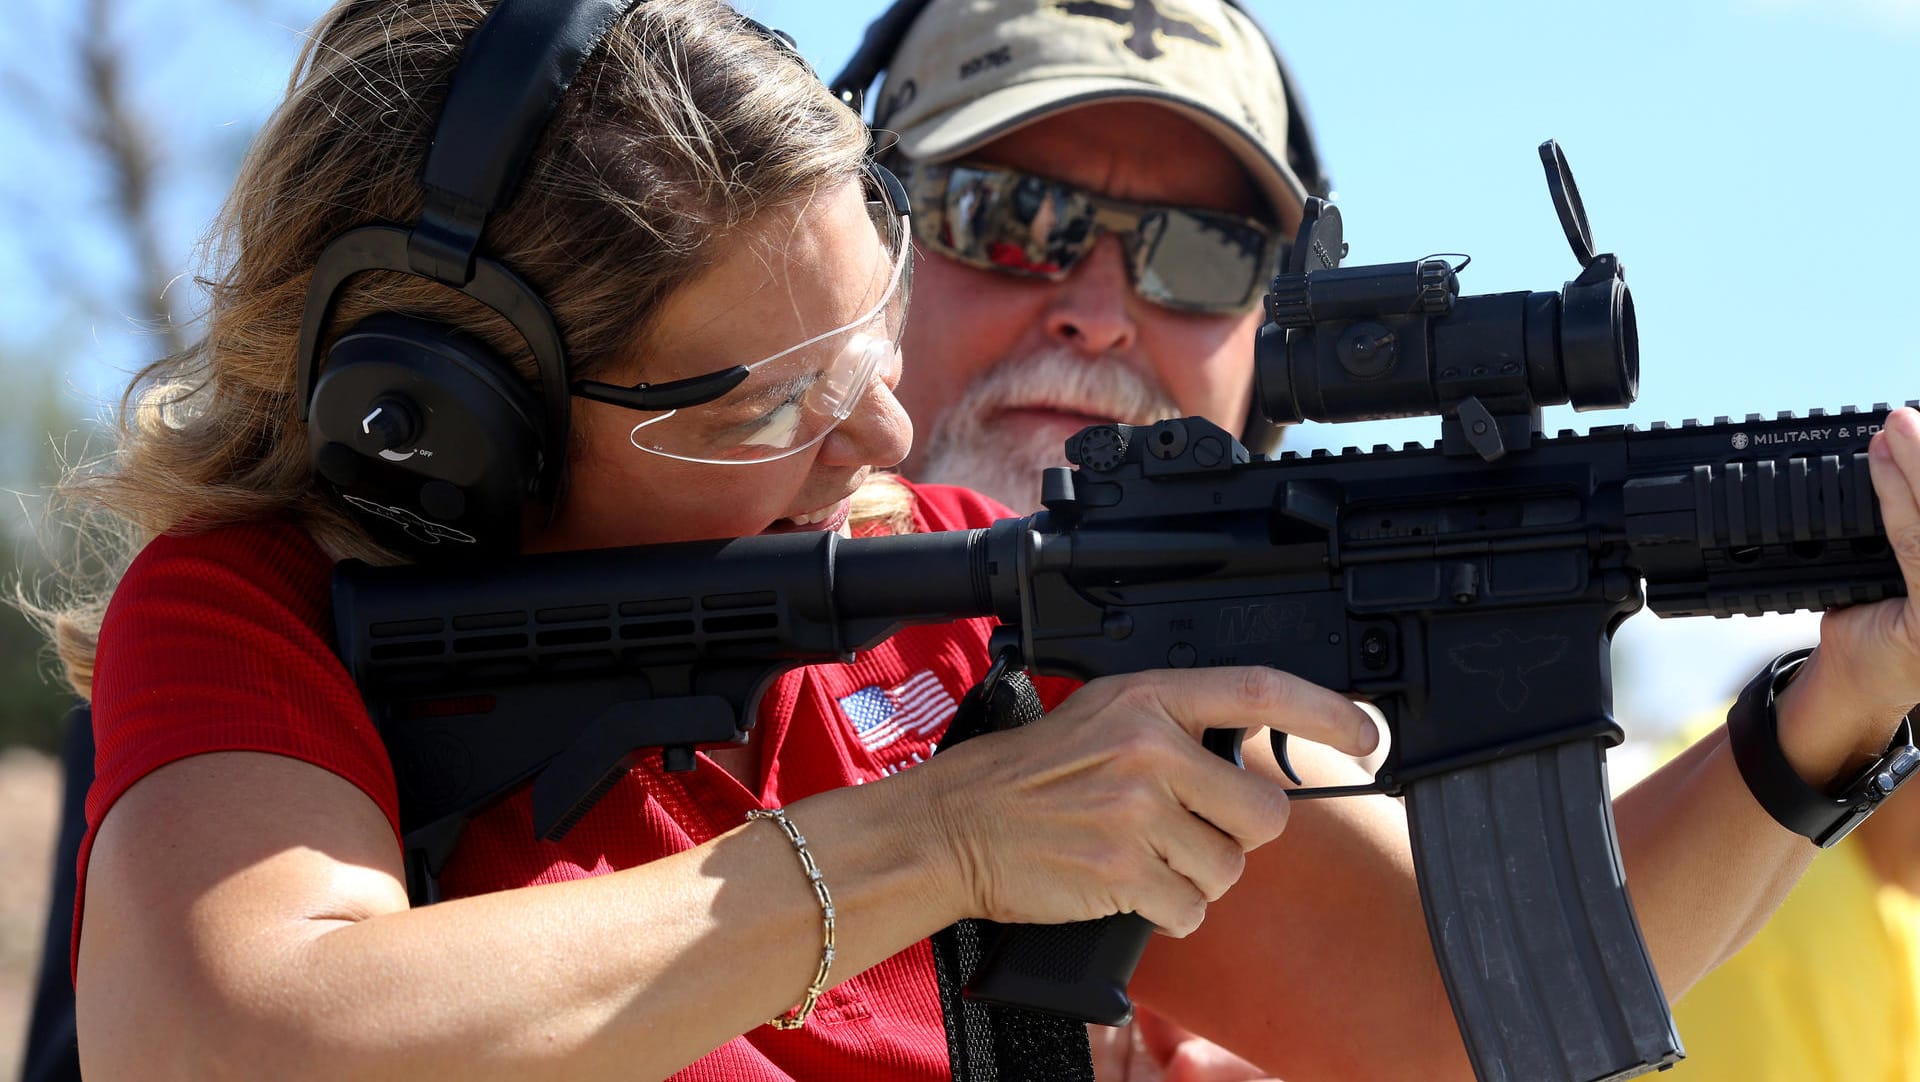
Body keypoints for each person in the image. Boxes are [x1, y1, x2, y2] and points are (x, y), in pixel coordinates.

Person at [38, 4, 1920, 1082]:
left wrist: (1817, 727)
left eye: (861, 353)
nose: (871, 440)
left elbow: (1442, 1006)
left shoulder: (961, 605)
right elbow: (247, 1037)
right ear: (459, 429)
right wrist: (929, 843)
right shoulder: (273, 617)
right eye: (764, 402)